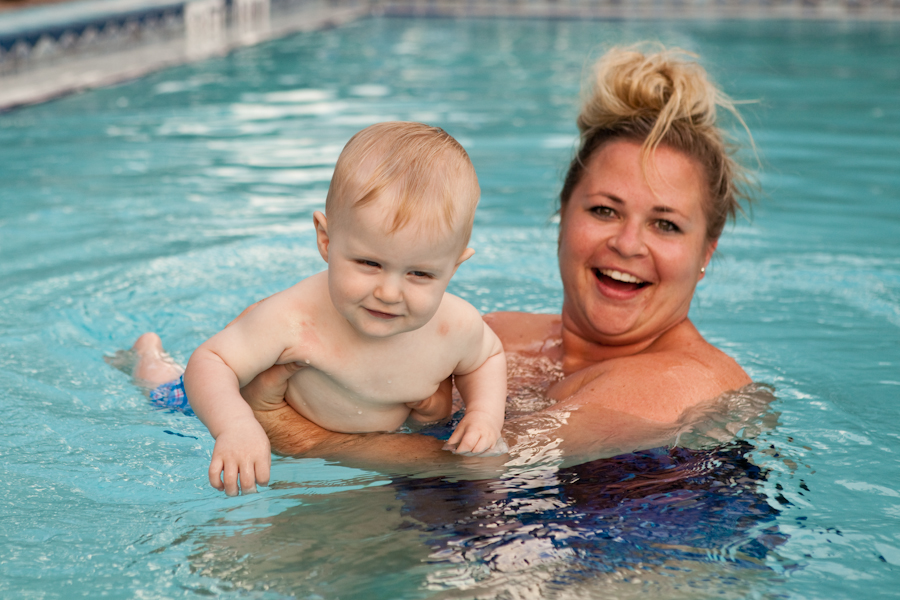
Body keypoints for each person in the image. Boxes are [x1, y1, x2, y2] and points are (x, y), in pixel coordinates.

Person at [130, 43, 757, 481]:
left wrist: (300, 436)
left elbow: (503, 465)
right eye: (604, 210)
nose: (628, 243)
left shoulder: (683, 385)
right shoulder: (499, 333)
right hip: (472, 531)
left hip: (641, 551)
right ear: (561, 215)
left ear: (707, 252)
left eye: (666, 225)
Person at [130, 122, 508, 496]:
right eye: (368, 263)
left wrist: (484, 414)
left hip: (361, 446)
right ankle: (149, 356)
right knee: (163, 391)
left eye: (421, 273)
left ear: (454, 268)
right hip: (222, 403)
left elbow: (487, 357)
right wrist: (235, 426)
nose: (390, 292)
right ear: (326, 241)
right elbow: (212, 360)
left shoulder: (454, 326)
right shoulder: (293, 318)